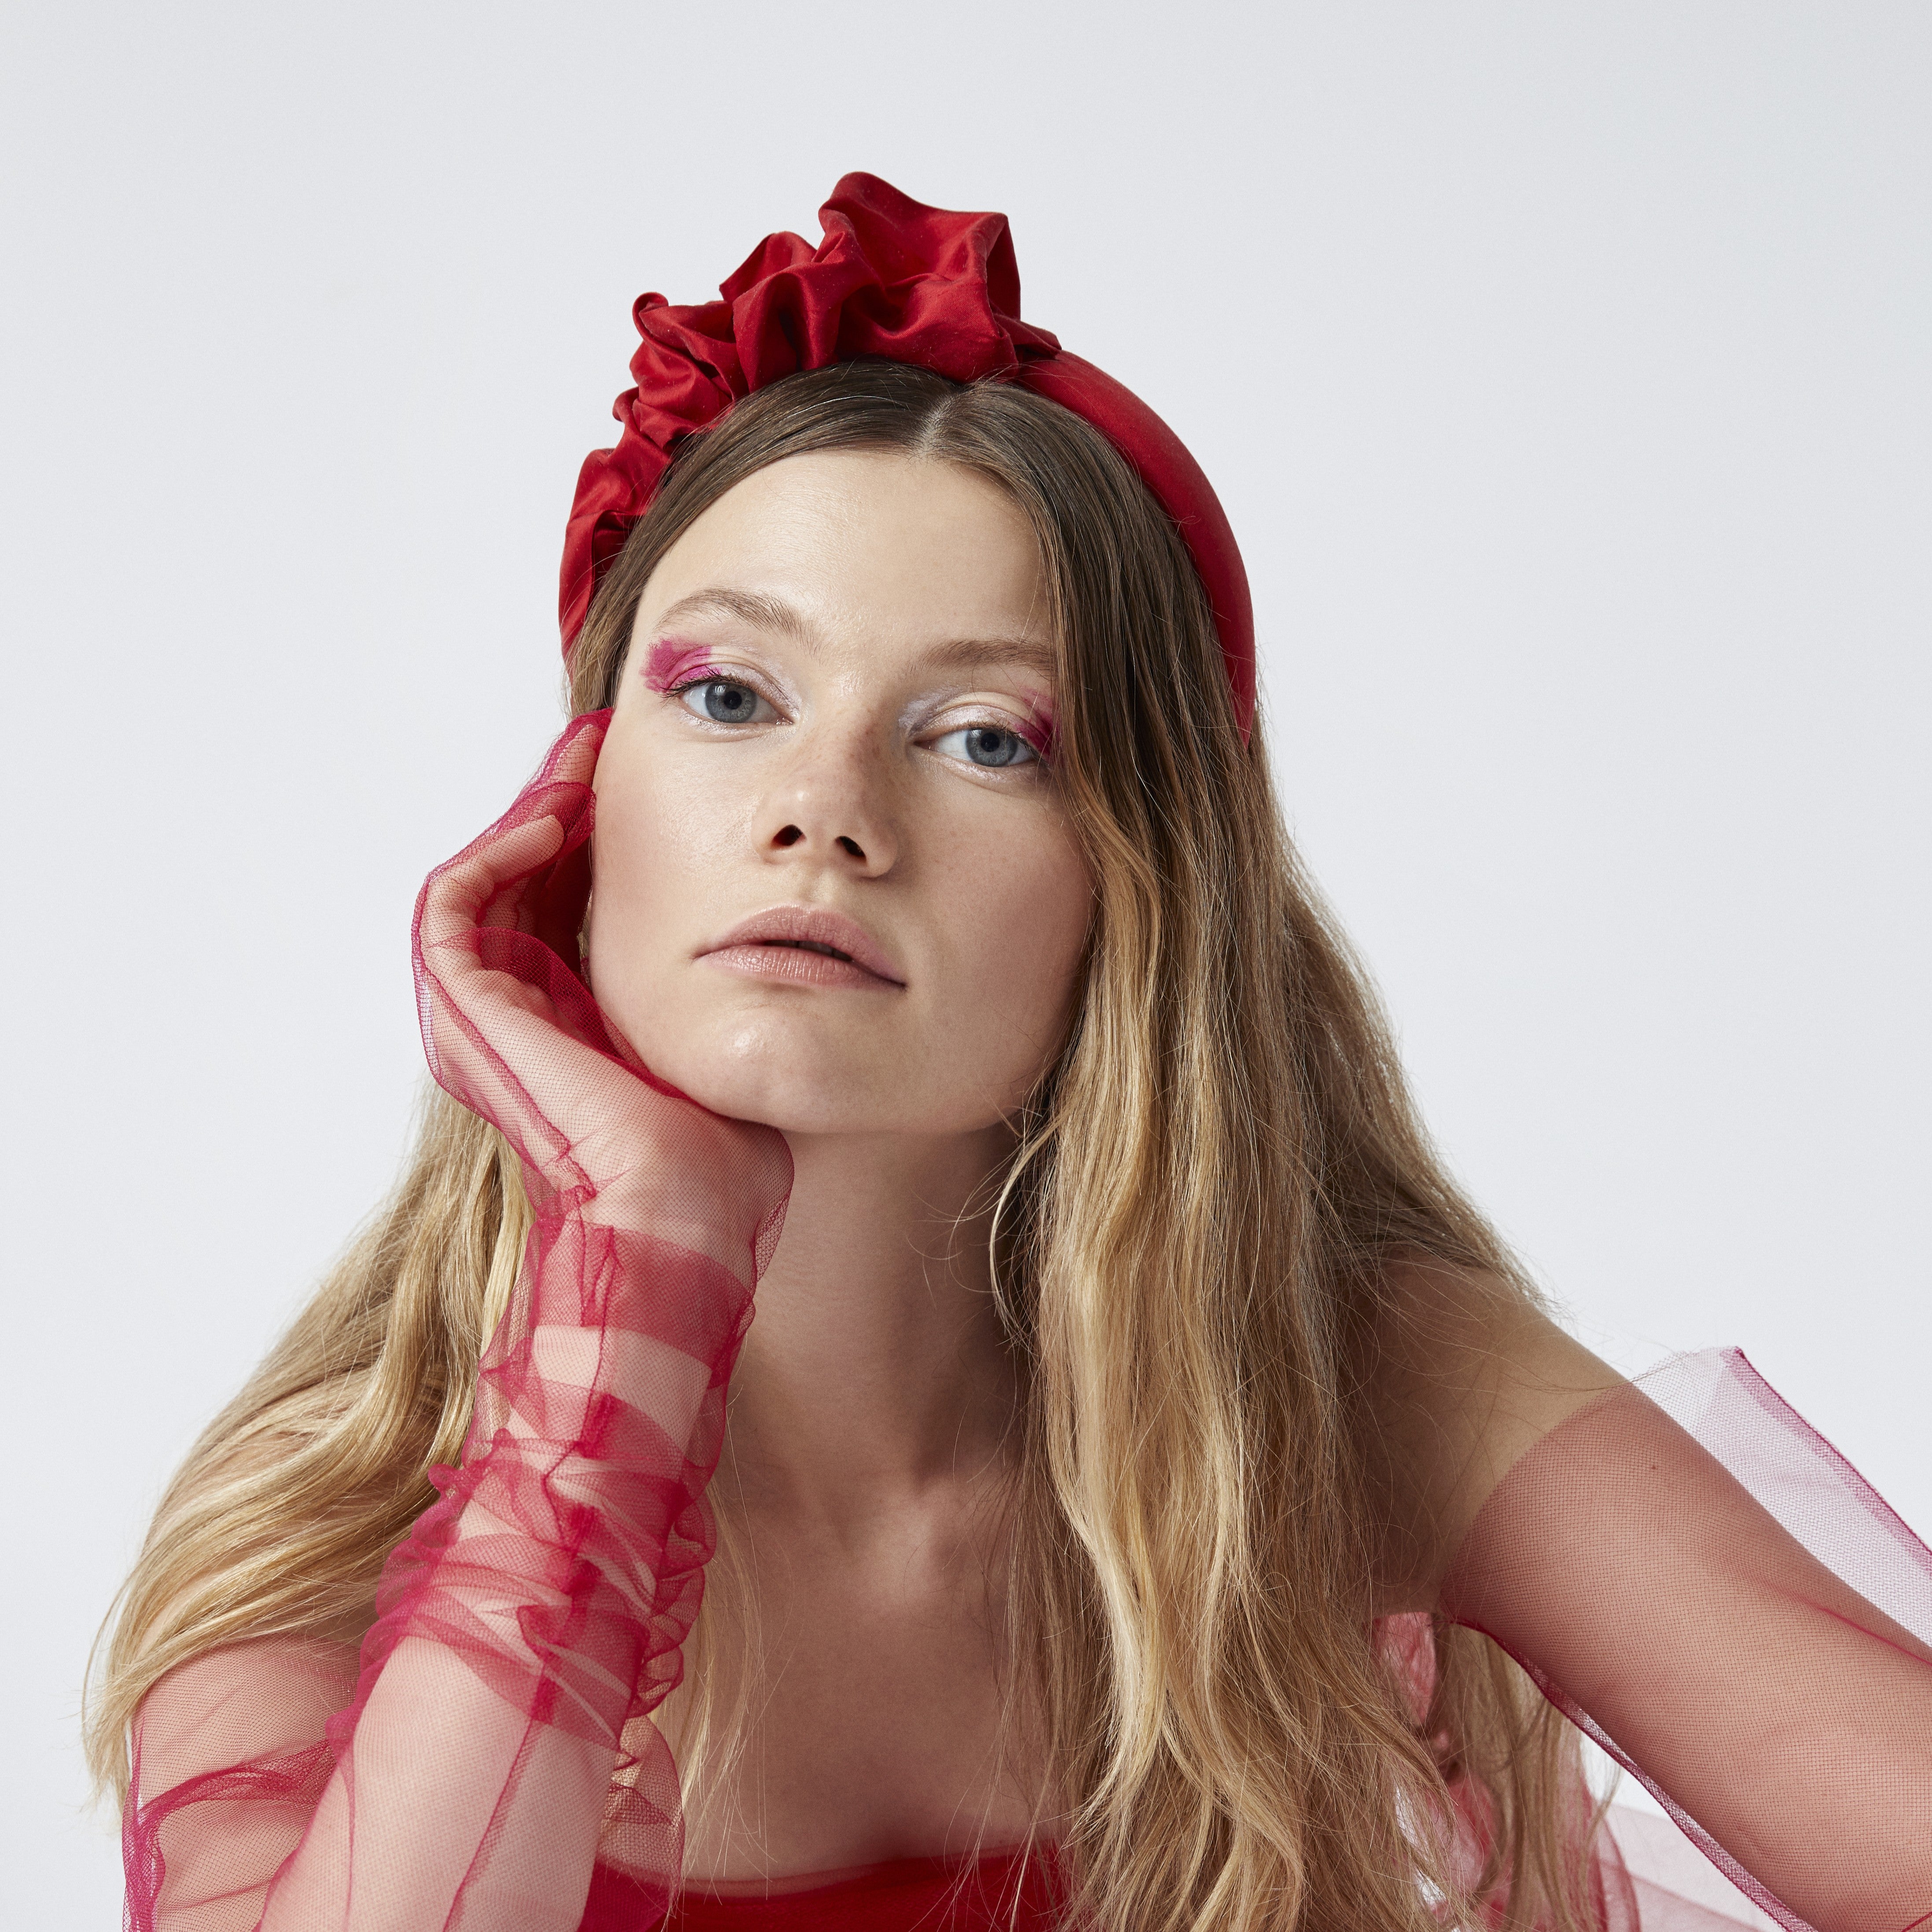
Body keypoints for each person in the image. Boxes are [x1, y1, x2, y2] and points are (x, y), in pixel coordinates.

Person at [88, 175, 1932, 1932]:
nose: (823, 809)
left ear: (1140, 885)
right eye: (727, 697)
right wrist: (628, 1291)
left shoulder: (1338, 1384)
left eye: (981, 736)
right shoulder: (333, 1533)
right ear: (576, 805)